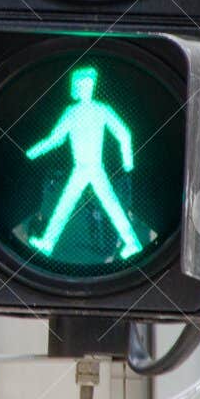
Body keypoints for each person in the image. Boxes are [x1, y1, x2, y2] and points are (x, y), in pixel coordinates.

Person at [26, 66, 142, 260]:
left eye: (89, 84)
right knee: (68, 204)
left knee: (106, 205)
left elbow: (124, 133)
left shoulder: (101, 109)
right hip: (81, 168)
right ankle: (48, 242)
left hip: (94, 168)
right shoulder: (72, 111)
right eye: (82, 84)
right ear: (76, 88)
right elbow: (55, 138)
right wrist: (34, 151)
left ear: (93, 86)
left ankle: (132, 242)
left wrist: (128, 160)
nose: (86, 87)